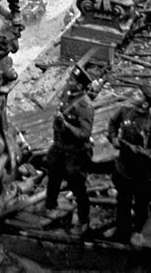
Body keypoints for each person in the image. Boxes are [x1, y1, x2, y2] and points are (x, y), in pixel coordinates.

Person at [105, 83, 151, 247]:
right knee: (123, 202)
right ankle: (121, 230)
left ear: (145, 104)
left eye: (139, 95)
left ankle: (137, 231)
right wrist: (113, 138)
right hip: (125, 169)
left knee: (141, 205)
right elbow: (112, 124)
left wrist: (147, 153)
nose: (134, 94)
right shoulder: (124, 112)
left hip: (144, 174)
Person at [44, 65, 94, 235]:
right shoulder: (67, 94)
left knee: (77, 186)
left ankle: (84, 219)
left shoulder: (85, 106)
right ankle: (50, 207)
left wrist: (65, 125)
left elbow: (85, 134)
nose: (68, 81)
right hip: (59, 148)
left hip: (75, 153)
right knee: (53, 177)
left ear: (80, 86)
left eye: (71, 80)